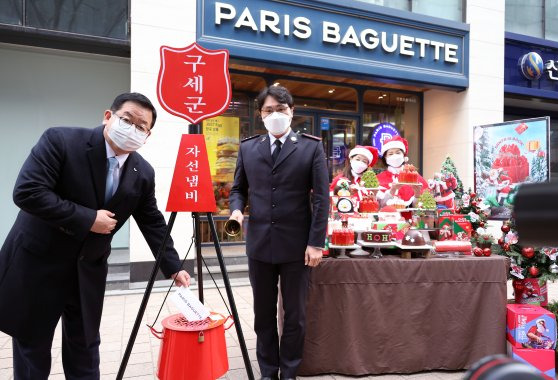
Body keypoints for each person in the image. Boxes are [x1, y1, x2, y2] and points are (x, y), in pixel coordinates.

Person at [0, 92, 191, 379]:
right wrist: (88, 218)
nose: (133, 129)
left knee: (86, 346)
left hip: (87, 268)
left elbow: (151, 220)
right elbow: (28, 192)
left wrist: (173, 266)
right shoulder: (61, 141)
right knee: (33, 347)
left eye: (142, 127)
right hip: (38, 262)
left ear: (148, 136)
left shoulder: (142, 172)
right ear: (108, 117)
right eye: (128, 120)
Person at [229, 85, 329, 380]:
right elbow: (238, 189)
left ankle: (289, 371)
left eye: (281, 110)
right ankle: (268, 371)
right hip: (259, 243)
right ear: (260, 115)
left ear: (292, 112)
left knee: (295, 315)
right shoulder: (248, 147)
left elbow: (322, 198)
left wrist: (316, 243)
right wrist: (237, 209)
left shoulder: (311, 147)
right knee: (263, 314)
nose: (275, 115)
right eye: (269, 110)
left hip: (298, 247)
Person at [376, 135, 428, 208]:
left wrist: (417, 194)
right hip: (387, 218)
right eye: (390, 154)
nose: (395, 156)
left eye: (398, 153)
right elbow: (379, 207)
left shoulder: (415, 177)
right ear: (385, 158)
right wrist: (392, 190)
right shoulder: (378, 179)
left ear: (404, 156)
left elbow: (421, 208)